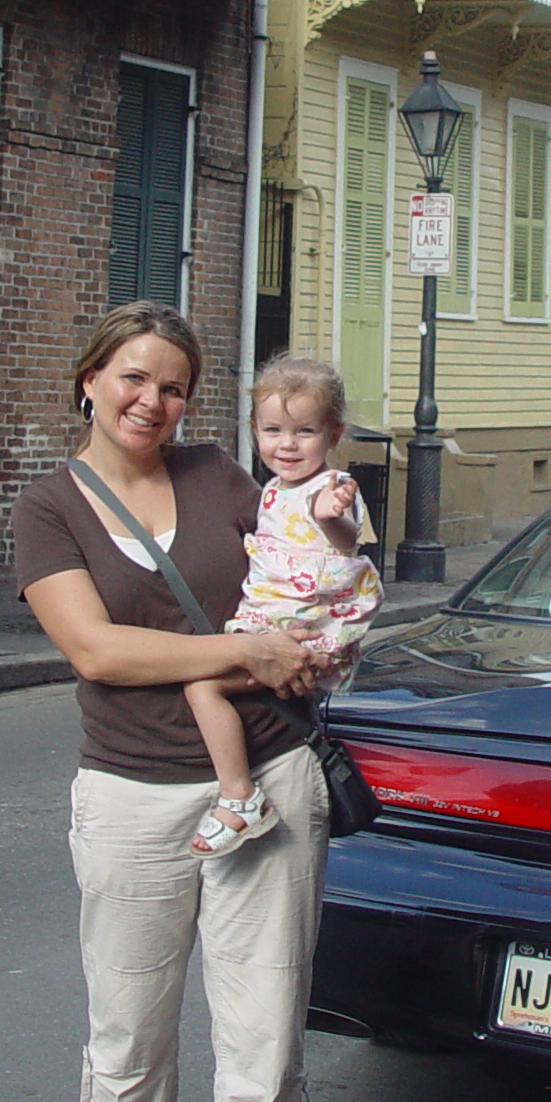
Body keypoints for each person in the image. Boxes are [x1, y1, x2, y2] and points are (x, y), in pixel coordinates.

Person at [13, 300, 323, 1102]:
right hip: (132, 789)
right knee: (128, 1007)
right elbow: (96, 647)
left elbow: (296, 574)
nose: (152, 400)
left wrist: (313, 633)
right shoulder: (49, 505)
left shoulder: (218, 476)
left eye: (174, 386)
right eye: (134, 377)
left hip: (268, 773)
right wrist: (246, 648)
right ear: (90, 380)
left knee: (262, 1011)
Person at [185, 354, 380, 857]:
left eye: (304, 431)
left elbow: (344, 540)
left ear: (333, 436)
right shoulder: (272, 489)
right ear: (254, 431)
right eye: (273, 430)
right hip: (271, 619)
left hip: (302, 630)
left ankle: (240, 797)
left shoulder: (328, 489)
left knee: (203, 685)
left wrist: (331, 515)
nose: (287, 445)